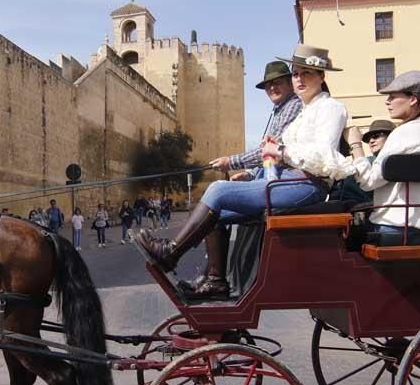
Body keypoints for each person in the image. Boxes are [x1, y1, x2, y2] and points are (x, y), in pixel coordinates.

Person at [137, 45, 349, 298]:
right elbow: (276, 155)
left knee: (217, 189)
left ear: (322, 76)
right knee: (215, 213)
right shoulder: (305, 111)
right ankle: (215, 280)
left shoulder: (331, 108)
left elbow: (323, 156)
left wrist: (281, 151)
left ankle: (171, 252)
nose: (300, 79)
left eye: (307, 74)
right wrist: (262, 165)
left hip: (306, 185)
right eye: (297, 73)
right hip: (287, 181)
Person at [340, 71, 420, 236]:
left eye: (392, 96)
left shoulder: (403, 133)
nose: (387, 102)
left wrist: (355, 144)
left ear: (413, 99)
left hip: (401, 227)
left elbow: (369, 182)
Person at [209, 60, 302, 181]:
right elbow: (268, 156)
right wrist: (251, 174)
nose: (272, 88)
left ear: (290, 84)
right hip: (280, 174)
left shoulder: (293, 105)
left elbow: (272, 150)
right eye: (268, 85)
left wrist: (230, 162)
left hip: (293, 177)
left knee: (217, 191)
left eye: (277, 83)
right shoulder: (281, 109)